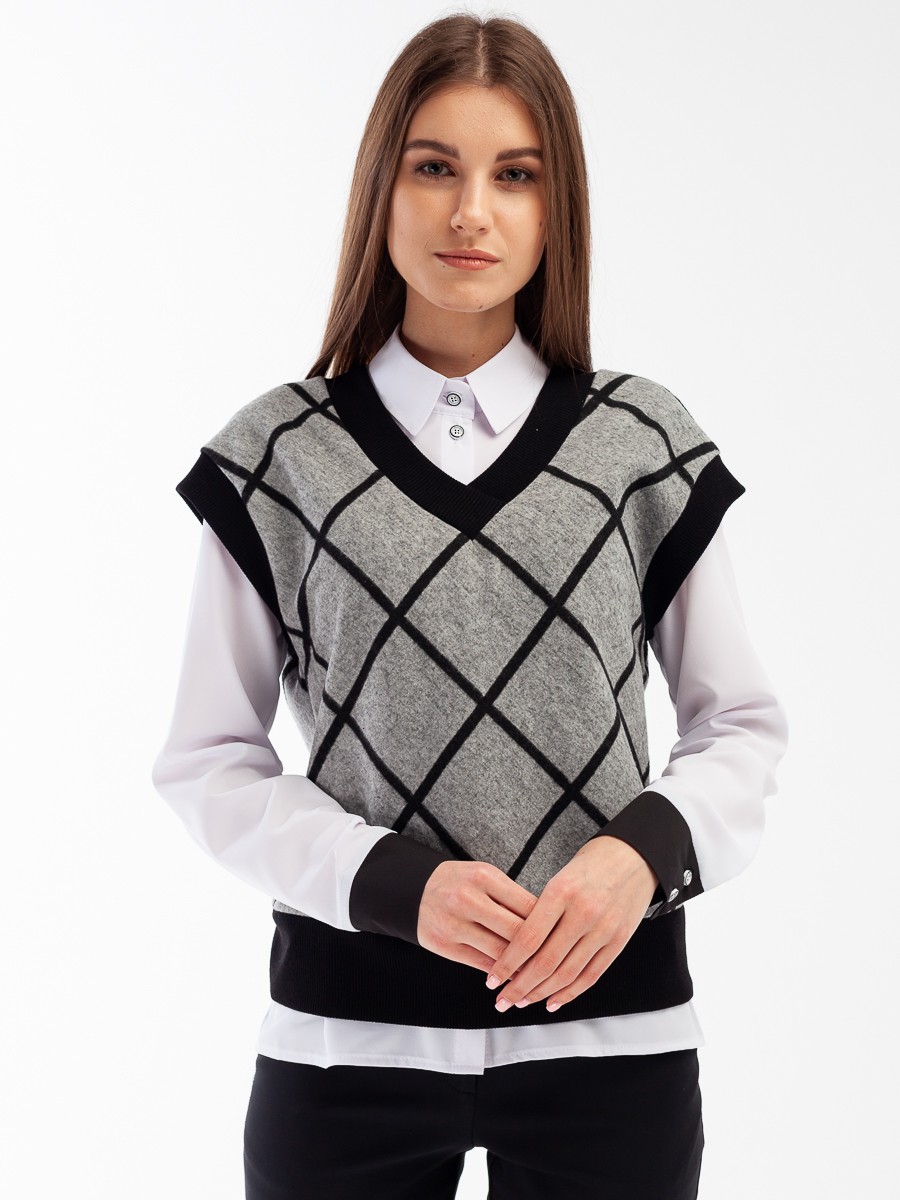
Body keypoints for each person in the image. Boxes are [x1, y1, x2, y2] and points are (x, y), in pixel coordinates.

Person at [151, 12, 789, 1199]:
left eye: (516, 175)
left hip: (614, 1042)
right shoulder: (277, 459)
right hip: (347, 1047)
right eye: (435, 167)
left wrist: (639, 859)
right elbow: (208, 762)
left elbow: (741, 725)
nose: (471, 213)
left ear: (559, 208)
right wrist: (394, 887)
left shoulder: (641, 445)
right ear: (380, 188)